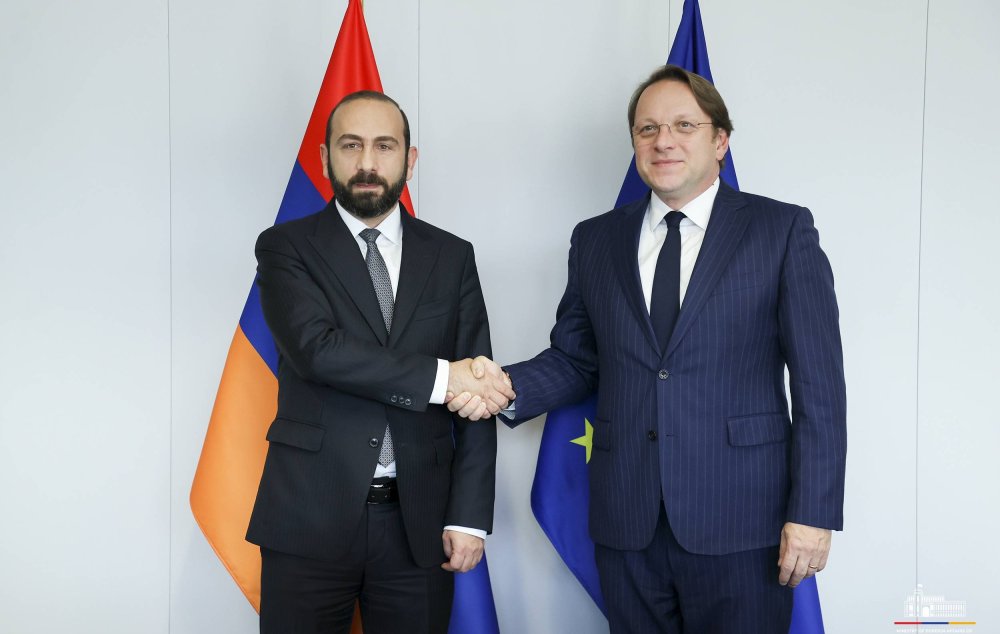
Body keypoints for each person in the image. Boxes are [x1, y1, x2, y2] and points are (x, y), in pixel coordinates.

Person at [450, 65, 847, 632]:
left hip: (742, 521)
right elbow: (578, 357)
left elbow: (819, 386)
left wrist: (812, 513)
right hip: (628, 520)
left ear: (720, 140)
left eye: (684, 125)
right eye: (648, 128)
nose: (664, 141)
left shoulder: (780, 231)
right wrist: (502, 388)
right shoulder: (596, 239)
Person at [246, 90, 515, 634]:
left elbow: (478, 388)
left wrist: (469, 516)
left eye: (384, 146)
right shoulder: (285, 247)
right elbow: (318, 351)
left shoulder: (452, 256)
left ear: (409, 159)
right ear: (325, 157)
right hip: (308, 515)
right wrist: (444, 377)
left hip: (419, 523)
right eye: (351, 146)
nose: (367, 162)